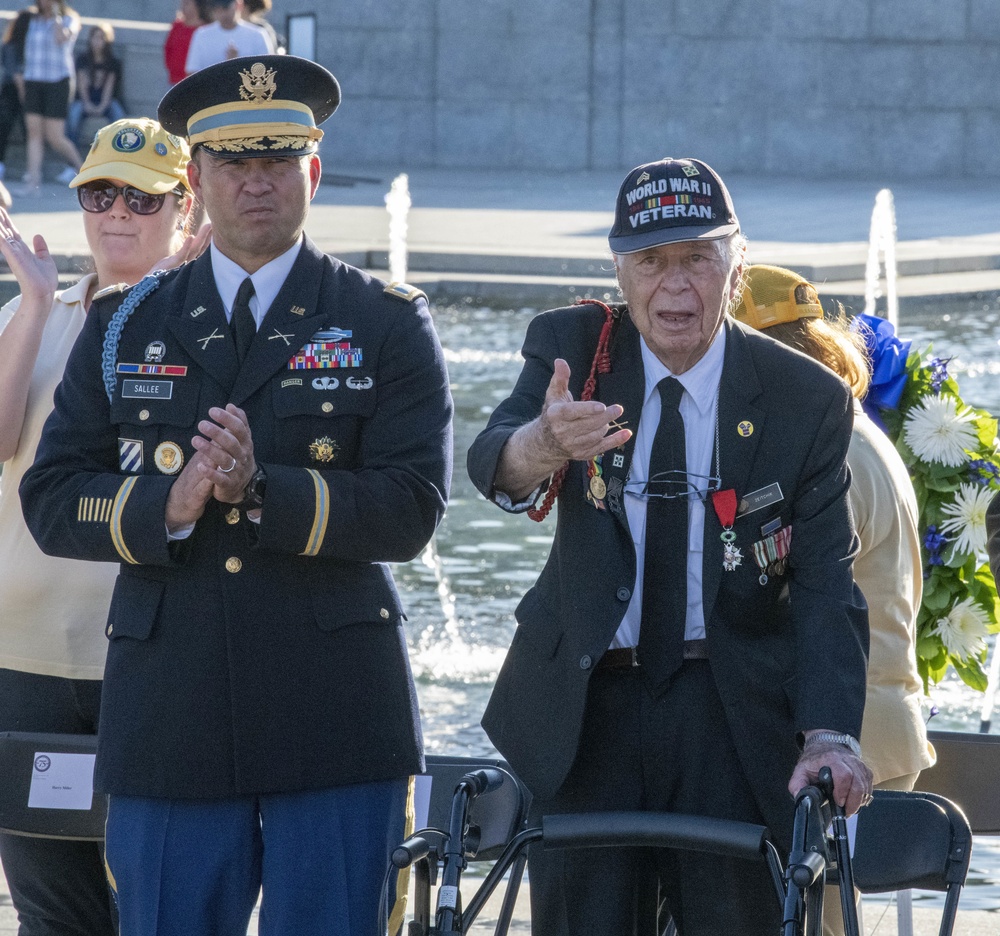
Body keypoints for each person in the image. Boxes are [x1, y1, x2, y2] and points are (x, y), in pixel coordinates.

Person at [20, 55, 452, 936]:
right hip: (171, 710)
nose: (257, 183)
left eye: (277, 162)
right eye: (233, 163)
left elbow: (412, 506)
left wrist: (265, 491)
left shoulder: (384, 319)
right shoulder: (124, 323)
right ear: (198, 178)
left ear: (313, 174)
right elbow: (54, 497)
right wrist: (167, 506)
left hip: (330, 712)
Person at [467, 157, 872, 935]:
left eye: (697, 258)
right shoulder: (572, 346)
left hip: (728, 707)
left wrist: (829, 734)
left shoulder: (804, 399)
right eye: (650, 262)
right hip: (585, 709)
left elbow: (826, 582)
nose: (674, 286)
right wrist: (544, 442)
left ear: (736, 264)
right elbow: (495, 464)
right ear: (620, 271)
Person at [0, 116, 204, 936]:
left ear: (184, 207)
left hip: (148, 655)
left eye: (144, 199)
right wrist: (39, 304)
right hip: (24, 655)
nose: (118, 213)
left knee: (159, 902)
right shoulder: (31, 309)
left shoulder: (205, 318)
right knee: (51, 909)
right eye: (100, 193)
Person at [734, 264, 936, 935]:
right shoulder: (855, 429)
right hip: (879, 728)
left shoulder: (827, 450)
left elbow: (795, 604)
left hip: (841, 743)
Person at [16, 0, 82, 194]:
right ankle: (33, 183)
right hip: (34, 80)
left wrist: (56, 17)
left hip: (57, 81)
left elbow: (62, 38)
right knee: (34, 133)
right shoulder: (32, 20)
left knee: (55, 136)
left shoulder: (70, 18)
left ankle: (85, 171)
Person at [64, 23, 126, 150]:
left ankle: (117, 153)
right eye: (95, 37)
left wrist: (102, 107)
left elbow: (109, 88)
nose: (98, 41)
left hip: (107, 100)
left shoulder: (113, 62)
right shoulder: (82, 59)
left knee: (119, 117)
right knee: (73, 116)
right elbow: (81, 86)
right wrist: (87, 104)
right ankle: (72, 157)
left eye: (101, 38)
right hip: (84, 99)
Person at [184, 0, 273, 74]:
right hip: (212, 93)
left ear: (238, 5)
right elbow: (192, 71)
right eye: (217, 8)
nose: (221, 13)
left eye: (225, 8)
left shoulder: (257, 34)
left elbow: (268, 70)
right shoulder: (201, 35)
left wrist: (237, 64)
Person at [0, 8, 31, 183]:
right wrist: (24, 97)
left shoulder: (12, 43)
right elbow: (16, 74)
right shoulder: (12, 45)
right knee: (6, 126)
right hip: (14, 90)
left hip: (20, 90)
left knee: (27, 130)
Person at [163, 0, 212, 85]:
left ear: (198, 5)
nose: (182, 7)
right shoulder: (177, 26)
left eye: (187, 4)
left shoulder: (205, 30)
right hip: (174, 80)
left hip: (195, 82)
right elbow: (168, 48)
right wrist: (171, 68)